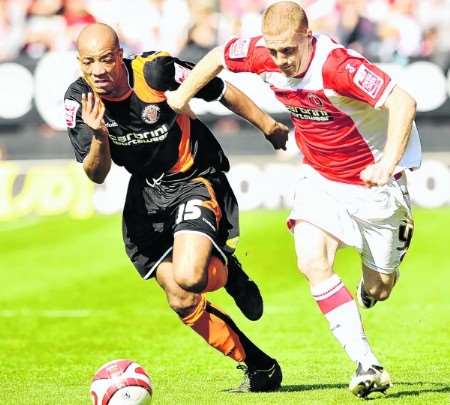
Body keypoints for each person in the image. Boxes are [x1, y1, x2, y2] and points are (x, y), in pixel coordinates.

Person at [166, 1, 421, 398]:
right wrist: (182, 97)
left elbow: (403, 101)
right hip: (319, 176)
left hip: (373, 184)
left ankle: (381, 268)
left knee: (380, 287)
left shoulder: (337, 65)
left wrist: (388, 162)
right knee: (310, 261)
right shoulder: (259, 53)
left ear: (307, 36)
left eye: (288, 50)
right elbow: (217, 55)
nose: (280, 59)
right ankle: (366, 362)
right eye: (273, 50)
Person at [64, 23, 289, 392]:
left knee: (191, 276)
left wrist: (267, 125)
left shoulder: (155, 71)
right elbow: (96, 174)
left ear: (120, 55)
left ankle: (228, 273)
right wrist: (100, 135)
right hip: (145, 195)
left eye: (106, 59)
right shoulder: (79, 99)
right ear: (79, 63)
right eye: (89, 63)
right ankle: (260, 367)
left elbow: (220, 89)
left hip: (193, 178)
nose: (99, 70)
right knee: (181, 297)